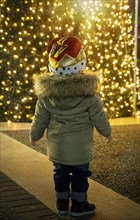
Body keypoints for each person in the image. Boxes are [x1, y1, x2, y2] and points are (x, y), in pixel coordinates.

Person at [29, 36, 112, 217]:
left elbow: (40, 119)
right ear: (81, 61)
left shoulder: (46, 95)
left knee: (60, 173)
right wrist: (107, 133)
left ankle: (61, 202)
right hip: (81, 147)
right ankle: (79, 206)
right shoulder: (90, 95)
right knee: (81, 174)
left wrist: (34, 136)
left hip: (58, 146)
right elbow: (99, 117)